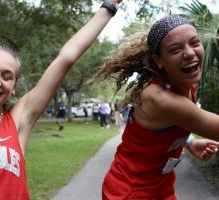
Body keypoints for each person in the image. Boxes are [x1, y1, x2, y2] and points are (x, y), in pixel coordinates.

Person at [0, 1, 123, 199]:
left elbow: (66, 58)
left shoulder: (18, 120)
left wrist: (109, 6)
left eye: (7, 77)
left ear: (14, 88)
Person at [93, 14, 219, 199]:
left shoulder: (184, 80)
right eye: (175, 49)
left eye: (194, 42)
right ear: (158, 60)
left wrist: (190, 142)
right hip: (129, 192)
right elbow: (184, 114)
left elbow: (169, 124)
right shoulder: (159, 98)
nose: (190, 52)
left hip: (161, 188)